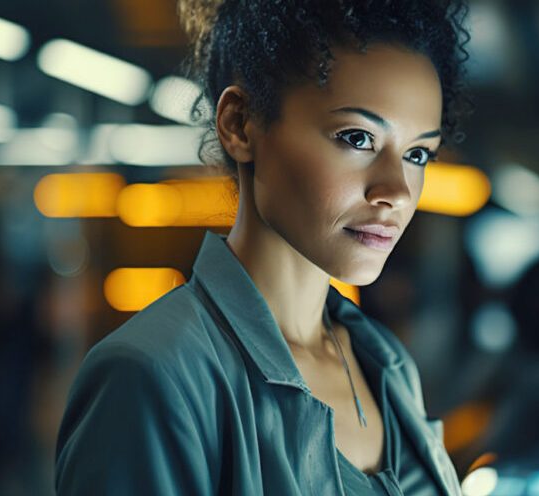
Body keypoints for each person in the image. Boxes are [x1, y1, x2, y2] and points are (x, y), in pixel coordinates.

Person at [53, 0, 471, 493]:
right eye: (357, 138)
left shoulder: (386, 364)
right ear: (240, 124)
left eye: (418, 154)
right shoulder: (153, 375)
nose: (397, 191)